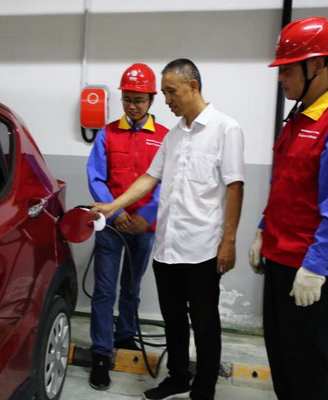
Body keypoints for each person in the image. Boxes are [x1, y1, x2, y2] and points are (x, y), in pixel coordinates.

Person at [93, 58, 245, 400]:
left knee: (204, 325)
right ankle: (178, 378)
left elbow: (235, 186)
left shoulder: (226, 129)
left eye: (171, 92)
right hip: (167, 248)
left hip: (202, 248)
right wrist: (113, 206)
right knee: (173, 320)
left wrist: (229, 240)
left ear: (193, 86)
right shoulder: (174, 135)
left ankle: (203, 390)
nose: (166, 100)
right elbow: (150, 177)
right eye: (163, 93)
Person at [248, 17, 328, 400]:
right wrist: (263, 229)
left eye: (287, 69)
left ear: (316, 65)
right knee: (281, 353)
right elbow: (286, 184)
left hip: (308, 267)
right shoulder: (299, 117)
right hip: (280, 256)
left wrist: (317, 268)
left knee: (308, 362)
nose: (281, 78)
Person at [86, 62, 169, 390]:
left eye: (139, 100)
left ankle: (125, 335)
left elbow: (165, 182)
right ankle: (101, 353)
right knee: (105, 289)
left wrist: (146, 214)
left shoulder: (163, 137)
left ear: (151, 100)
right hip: (111, 225)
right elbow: (96, 177)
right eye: (127, 100)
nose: (132, 106)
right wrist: (115, 211)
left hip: (143, 227)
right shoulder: (107, 133)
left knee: (132, 287)